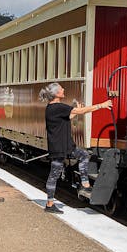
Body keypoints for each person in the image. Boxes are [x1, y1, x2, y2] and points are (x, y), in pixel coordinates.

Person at [39, 82, 111, 214]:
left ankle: (85, 185)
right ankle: (50, 204)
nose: (63, 89)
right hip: (59, 147)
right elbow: (80, 111)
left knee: (83, 155)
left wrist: (76, 111)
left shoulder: (53, 108)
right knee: (54, 174)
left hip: (66, 145)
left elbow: (68, 117)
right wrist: (102, 105)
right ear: (56, 94)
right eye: (61, 89)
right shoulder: (57, 106)